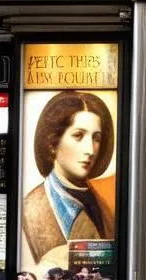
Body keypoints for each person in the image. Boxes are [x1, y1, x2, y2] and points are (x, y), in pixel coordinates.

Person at [21, 91, 116, 269]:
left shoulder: (105, 200)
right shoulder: (30, 209)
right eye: (78, 136)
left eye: (96, 138)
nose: (90, 150)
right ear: (52, 144)